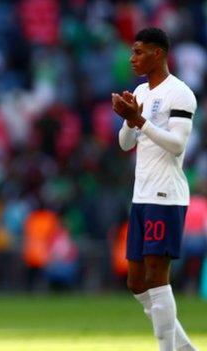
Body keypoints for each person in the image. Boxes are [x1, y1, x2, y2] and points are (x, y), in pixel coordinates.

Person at [113, 27, 197, 351]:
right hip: (142, 195)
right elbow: (124, 144)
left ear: (158, 53)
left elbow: (177, 145)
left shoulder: (180, 93)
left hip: (166, 195)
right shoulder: (141, 92)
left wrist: (140, 122)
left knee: (156, 275)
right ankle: (184, 346)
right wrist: (127, 117)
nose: (132, 58)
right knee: (136, 282)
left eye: (139, 52)